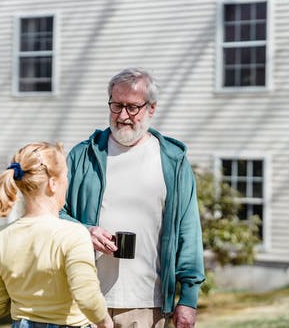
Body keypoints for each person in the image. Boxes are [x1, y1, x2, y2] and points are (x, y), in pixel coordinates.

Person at [60, 68, 205, 328]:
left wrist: (189, 298)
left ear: (151, 108)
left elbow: (188, 230)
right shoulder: (82, 156)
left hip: (147, 304)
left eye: (132, 107)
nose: (123, 115)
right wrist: (85, 232)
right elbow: (54, 214)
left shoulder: (173, 160)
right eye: (116, 106)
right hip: (85, 301)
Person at [0, 142, 114, 328]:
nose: (67, 183)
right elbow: (87, 298)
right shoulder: (74, 234)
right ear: (53, 184)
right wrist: (106, 324)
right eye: (66, 177)